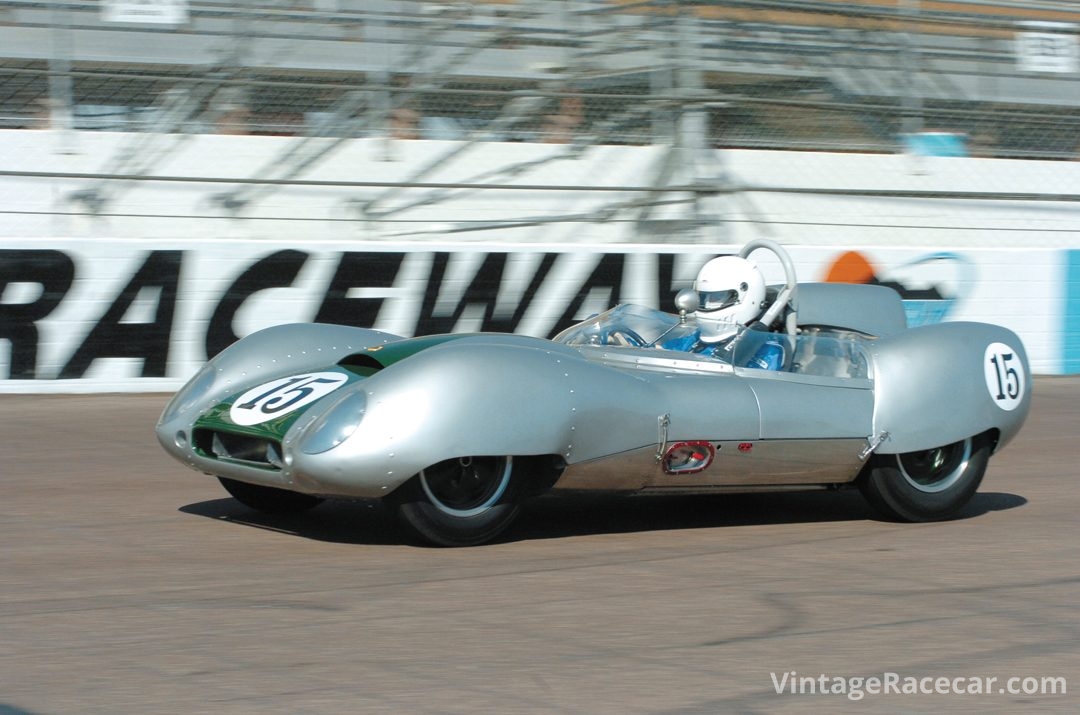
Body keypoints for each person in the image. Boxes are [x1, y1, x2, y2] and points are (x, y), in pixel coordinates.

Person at [660, 255, 786, 370]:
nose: (708, 303)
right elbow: (663, 352)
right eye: (704, 297)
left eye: (716, 297)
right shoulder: (697, 338)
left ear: (746, 298)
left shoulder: (766, 350)